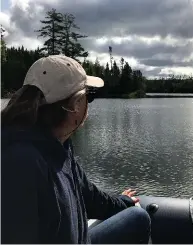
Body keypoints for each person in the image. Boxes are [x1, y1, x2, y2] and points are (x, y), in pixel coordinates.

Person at [1, 55, 151, 244]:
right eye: (89, 96)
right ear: (76, 105)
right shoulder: (19, 162)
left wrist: (123, 201)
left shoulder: (57, 145)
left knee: (138, 217)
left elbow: (90, 198)